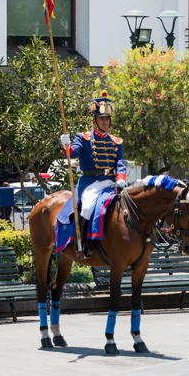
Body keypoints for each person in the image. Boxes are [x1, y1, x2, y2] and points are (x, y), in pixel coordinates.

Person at [60, 90, 126, 258]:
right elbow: (73, 153)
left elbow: (120, 163)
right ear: (95, 120)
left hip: (111, 182)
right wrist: (66, 145)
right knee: (88, 206)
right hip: (91, 181)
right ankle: (80, 243)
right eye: (101, 119)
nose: (105, 122)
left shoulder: (116, 142)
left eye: (107, 119)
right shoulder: (84, 138)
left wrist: (121, 179)